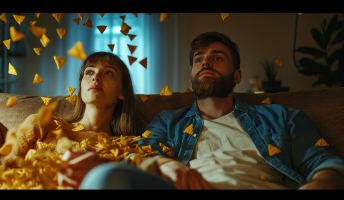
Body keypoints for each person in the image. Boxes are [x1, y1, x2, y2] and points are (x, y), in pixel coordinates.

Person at [69, 32, 344, 189]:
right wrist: (167, 165)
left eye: (217, 57)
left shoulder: (282, 117)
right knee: (104, 177)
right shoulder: (168, 121)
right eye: (199, 59)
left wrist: (320, 185)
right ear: (192, 75)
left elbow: (327, 164)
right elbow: (138, 156)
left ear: (236, 76)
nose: (206, 62)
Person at [0, 52, 145, 168]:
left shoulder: (129, 146)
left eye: (108, 72)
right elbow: (2, 169)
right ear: (80, 86)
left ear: (123, 92)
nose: (96, 77)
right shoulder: (41, 124)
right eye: (89, 72)